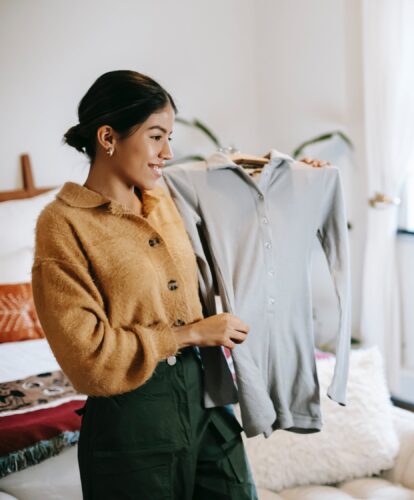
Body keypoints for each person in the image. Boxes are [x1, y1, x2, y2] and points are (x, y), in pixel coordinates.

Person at [31, 70, 258, 500]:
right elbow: (87, 360)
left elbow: (247, 197)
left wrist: (308, 176)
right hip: (131, 421)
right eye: (156, 136)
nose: (168, 152)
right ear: (108, 137)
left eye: (169, 137)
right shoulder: (62, 225)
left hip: (208, 401)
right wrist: (192, 332)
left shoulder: (167, 198)